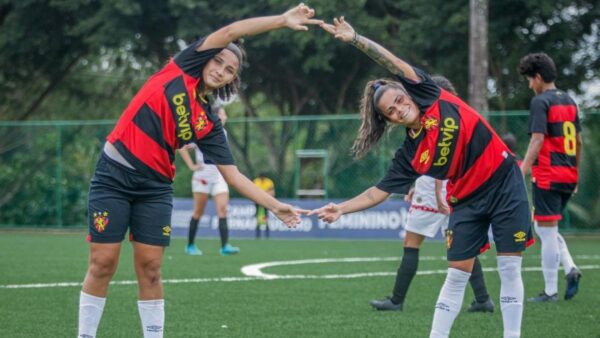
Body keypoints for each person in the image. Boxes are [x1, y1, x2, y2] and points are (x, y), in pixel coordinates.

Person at [78, 5, 319, 338]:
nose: (221, 69)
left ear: (233, 79)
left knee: (150, 270)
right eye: (218, 61)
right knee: (103, 263)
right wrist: (281, 21)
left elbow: (233, 176)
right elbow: (231, 32)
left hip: (155, 188)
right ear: (205, 58)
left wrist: (274, 205)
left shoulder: (209, 123)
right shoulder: (181, 70)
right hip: (114, 176)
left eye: (230, 69)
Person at [314, 17, 533, 338]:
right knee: (457, 275)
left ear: (408, 93)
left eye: (399, 99)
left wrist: (356, 38)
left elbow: (393, 62)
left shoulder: (431, 93)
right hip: (466, 199)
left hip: (504, 182)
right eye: (390, 110)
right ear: (388, 120)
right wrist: (341, 209)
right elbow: (377, 193)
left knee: (509, 267)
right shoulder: (410, 155)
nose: (399, 108)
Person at [370, 76, 494, 313]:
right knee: (462, 247)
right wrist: (417, 184)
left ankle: (396, 301)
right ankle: (482, 299)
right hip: (449, 189)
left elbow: (441, 161)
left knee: (412, 243)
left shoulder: (437, 116)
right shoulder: (445, 116)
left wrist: (438, 193)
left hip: (438, 192)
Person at [518, 52, 583, 302]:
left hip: (547, 174)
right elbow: (578, 141)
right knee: (546, 227)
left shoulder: (540, 102)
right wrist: (575, 173)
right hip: (567, 174)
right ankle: (570, 268)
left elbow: (537, 139)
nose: (529, 85)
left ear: (537, 77)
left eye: (529, 79)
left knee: (545, 231)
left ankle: (550, 291)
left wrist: (522, 170)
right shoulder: (569, 101)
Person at [178, 104, 240, 256]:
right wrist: (192, 166)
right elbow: (181, 147)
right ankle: (190, 245)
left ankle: (225, 246)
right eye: (222, 114)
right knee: (198, 212)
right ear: (215, 117)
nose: (225, 117)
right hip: (202, 178)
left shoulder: (222, 132)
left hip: (219, 178)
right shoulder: (202, 131)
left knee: (223, 210)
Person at [253, 173, 275, 238]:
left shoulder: (269, 182)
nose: (262, 179)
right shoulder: (256, 181)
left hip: (266, 200)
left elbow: (272, 192)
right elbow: (253, 191)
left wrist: (266, 196)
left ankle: (266, 232)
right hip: (257, 200)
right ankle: (258, 233)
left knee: (265, 216)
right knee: (258, 215)